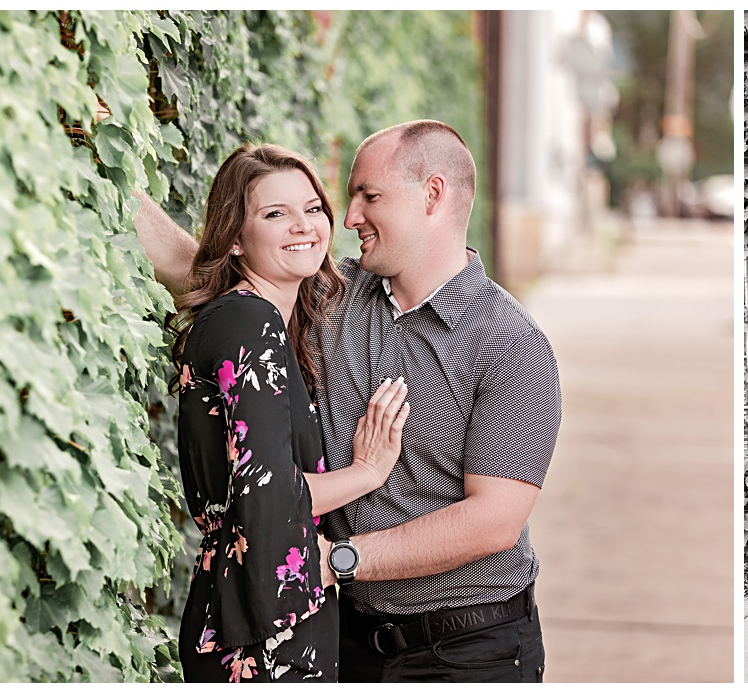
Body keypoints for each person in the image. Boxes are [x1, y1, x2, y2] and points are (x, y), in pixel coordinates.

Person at [139, 121, 561, 683]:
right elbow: (218, 271)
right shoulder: (335, 297)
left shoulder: (510, 344)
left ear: (432, 195)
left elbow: (493, 522)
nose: (351, 216)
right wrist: (106, 158)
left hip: (467, 647)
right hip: (348, 638)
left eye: (370, 195)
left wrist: (341, 561)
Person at [170, 144, 413, 681]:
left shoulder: (265, 323)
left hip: (259, 608)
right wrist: (367, 473)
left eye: (312, 208)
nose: (304, 226)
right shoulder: (249, 325)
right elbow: (271, 495)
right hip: (261, 629)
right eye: (275, 214)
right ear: (235, 237)